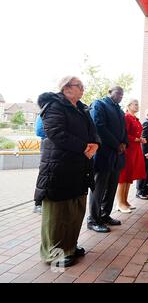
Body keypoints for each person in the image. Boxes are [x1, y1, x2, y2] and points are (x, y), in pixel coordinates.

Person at [34, 76, 99, 268]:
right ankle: (53, 253)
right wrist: (83, 147)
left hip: (79, 166)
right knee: (58, 213)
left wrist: (95, 144)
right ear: (67, 88)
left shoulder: (82, 108)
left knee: (74, 209)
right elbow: (56, 133)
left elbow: (93, 130)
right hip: (59, 166)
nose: (83, 90)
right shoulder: (53, 106)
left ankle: (69, 246)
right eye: (80, 86)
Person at [88, 86, 128, 233]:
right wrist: (116, 144)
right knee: (98, 189)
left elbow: (124, 130)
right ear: (109, 92)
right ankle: (93, 219)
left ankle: (105, 215)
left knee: (111, 188)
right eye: (118, 93)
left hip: (117, 156)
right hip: (104, 154)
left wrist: (124, 143)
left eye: (122, 94)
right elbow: (99, 127)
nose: (120, 96)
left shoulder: (119, 109)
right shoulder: (99, 104)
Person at [116, 99, 146, 213]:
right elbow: (124, 134)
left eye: (138, 104)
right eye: (135, 104)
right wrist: (136, 139)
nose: (137, 106)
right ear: (128, 106)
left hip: (135, 149)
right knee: (124, 176)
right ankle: (120, 203)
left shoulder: (135, 118)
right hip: (129, 149)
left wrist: (140, 139)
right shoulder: (127, 117)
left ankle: (125, 201)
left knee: (129, 176)